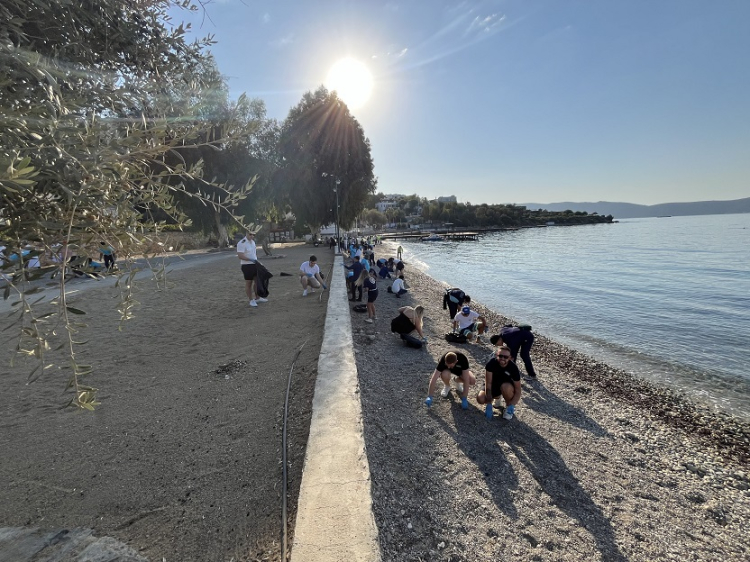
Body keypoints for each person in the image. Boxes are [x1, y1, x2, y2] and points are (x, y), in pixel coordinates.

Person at [476, 345, 522, 420]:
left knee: (505, 387)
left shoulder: (513, 368)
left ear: (510, 358)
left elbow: (518, 390)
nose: (502, 358)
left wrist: (512, 405)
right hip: (493, 385)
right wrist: (489, 403)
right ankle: (497, 398)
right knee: (480, 399)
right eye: (500, 356)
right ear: (496, 355)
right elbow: (488, 384)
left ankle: (507, 408)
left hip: (506, 387)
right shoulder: (491, 364)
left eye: (506, 357)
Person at [237, 230, 268, 307]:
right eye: (250, 234)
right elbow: (240, 255)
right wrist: (250, 259)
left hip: (255, 264)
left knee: (258, 282)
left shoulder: (253, 242)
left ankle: (258, 297)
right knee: (249, 283)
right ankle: (251, 300)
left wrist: (257, 262)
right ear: (246, 233)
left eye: (253, 235)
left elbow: (253, 254)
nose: (252, 236)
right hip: (247, 266)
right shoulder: (242, 243)